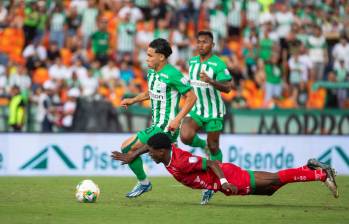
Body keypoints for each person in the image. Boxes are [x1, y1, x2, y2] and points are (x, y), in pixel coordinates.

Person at [111, 133, 339, 205]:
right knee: (271, 188)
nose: (149, 154)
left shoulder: (180, 161)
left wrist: (221, 184)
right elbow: (152, 145)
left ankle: (319, 174)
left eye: (151, 151)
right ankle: (308, 167)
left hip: (228, 177)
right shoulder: (166, 153)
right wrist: (133, 153)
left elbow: (211, 163)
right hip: (225, 184)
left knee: (273, 179)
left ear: (162, 151)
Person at [118, 38, 197, 198]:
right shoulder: (152, 72)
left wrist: (177, 119)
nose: (146, 59)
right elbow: (151, 92)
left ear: (161, 57)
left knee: (127, 147)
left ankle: (144, 183)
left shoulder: (173, 74)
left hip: (166, 126)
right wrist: (132, 100)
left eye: (150, 55)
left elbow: (192, 97)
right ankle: (210, 179)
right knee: (179, 167)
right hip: (158, 124)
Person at [180, 31, 232, 204]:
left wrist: (211, 81)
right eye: (199, 41)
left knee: (214, 146)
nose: (201, 45)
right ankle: (204, 146)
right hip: (197, 109)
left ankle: (213, 183)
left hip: (214, 112)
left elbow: (228, 88)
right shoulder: (192, 62)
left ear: (212, 45)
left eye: (205, 42)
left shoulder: (218, 64)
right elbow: (191, 84)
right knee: (185, 136)